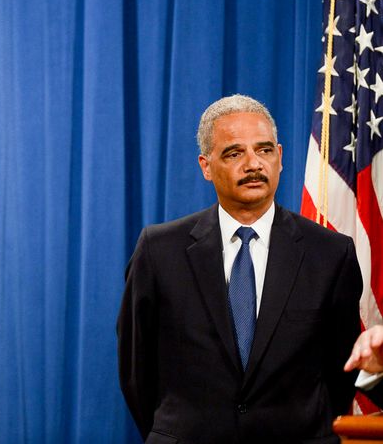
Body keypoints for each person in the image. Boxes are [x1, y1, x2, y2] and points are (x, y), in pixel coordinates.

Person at [117, 94, 362, 444]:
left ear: (280, 157)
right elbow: (136, 369)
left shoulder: (331, 253)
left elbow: (341, 372)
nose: (253, 164)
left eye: (264, 150)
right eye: (234, 153)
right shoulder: (158, 250)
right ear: (206, 166)